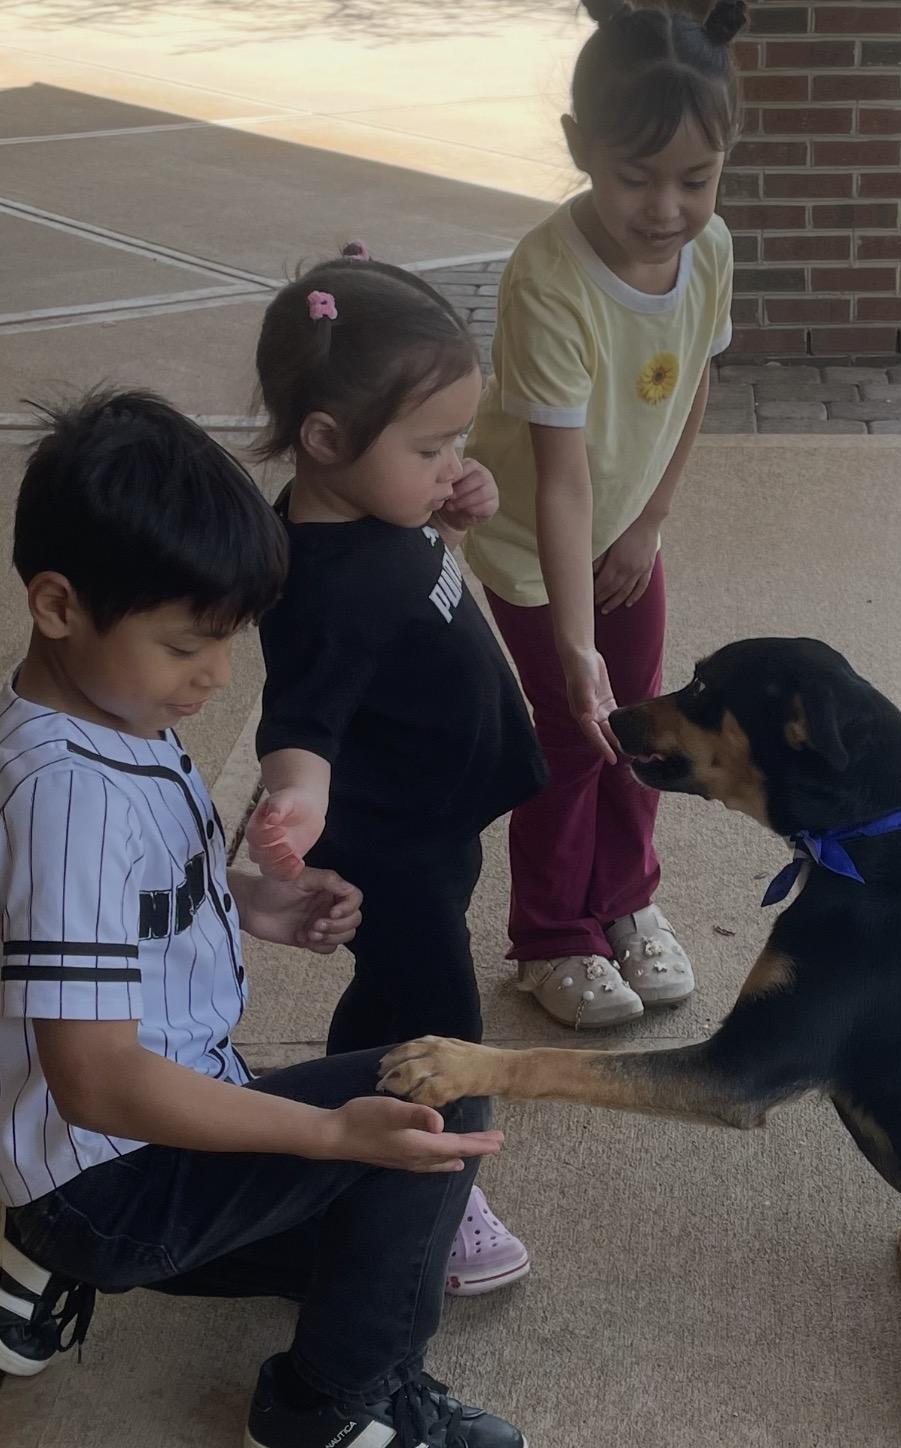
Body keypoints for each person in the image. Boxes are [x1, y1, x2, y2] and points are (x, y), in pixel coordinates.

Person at [0, 391, 526, 1448]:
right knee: (434, 1107)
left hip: (112, 1146)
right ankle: (328, 1403)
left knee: (377, 1205)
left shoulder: (102, 709)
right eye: (188, 642)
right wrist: (326, 1130)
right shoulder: (69, 794)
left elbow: (103, 905)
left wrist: (246, 900)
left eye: (230, 639)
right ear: (57, 604)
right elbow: (97, 1075)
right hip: (117, 1169)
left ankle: (37, 1259)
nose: (220, 675)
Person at [245, 250, 547, 1300]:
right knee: (440, 1017)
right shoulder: (317, 587)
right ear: (327, 441)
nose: (450, 456)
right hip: (388, 846)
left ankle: (344, 1117)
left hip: (434, 820)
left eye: (456, 438)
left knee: (390, 997)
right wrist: (296, 803)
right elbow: (302, 721)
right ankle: (437, 1181)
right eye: (432, 444)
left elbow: (412, 527)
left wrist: (445, 500)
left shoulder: (370, 504)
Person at [462, 0, 744, 1028]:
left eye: (696, 178)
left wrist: (652, 523)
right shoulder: (549, 280)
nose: (668, 207)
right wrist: (576, 643)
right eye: (636, 176)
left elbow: (697, 385)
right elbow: (561, 476)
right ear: (581, 148)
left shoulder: (707, 251)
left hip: (623, 529)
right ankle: (548, 937)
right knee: (575, 735)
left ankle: (625, 901)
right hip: (538, 548)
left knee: (647, 722)